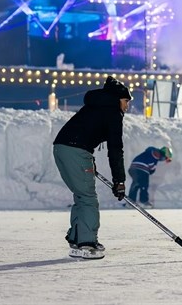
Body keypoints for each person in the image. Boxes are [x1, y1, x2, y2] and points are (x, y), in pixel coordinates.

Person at [52, 76, 132, 259]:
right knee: (88, 197)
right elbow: (115, 149)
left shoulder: (96, 105)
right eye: (126, 101)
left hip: (61, 147)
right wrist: (119, 180)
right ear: (117, 98)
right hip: (75, 150)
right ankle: (87, 244)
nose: (127, 106)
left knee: (81, 195)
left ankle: (77, 238)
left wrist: (89, 160)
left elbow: (86, 131)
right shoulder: (113, 112)